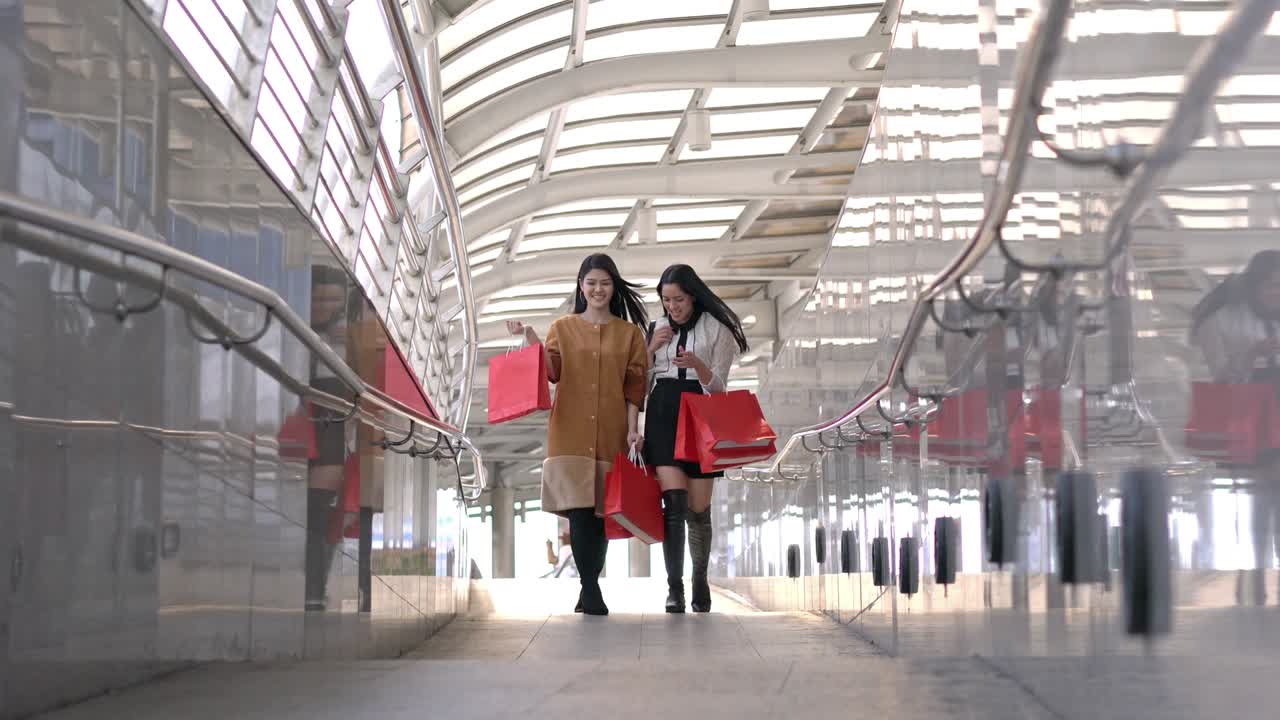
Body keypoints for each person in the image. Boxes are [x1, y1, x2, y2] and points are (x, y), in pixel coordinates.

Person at [507, 253, 649, 615]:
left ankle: (588, 587)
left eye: (604, 282)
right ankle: (591, 588)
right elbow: (552, 371)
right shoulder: (563, 327)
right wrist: (530, 337)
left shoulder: (630, 334)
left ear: (613, 286)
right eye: (591, 283)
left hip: (612, 432)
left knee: (600, 515)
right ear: (581, 287)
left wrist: (633, 430)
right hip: (569, 431)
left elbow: (634, 388)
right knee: (581, 513)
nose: (598, 289)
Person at [644, 264, 749, 613]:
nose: (672, 307)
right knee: (672, 506)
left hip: (701, 414)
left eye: (678, 299)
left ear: (693, 296)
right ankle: (673, 589)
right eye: (666, 300)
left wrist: (698, 365)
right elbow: (637, 383)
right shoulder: (655, 328)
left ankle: (699, 580)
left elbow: (719, 387)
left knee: (697, 510)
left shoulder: (716, 329)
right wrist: (648, 352)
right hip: (663, 412)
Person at [1190, 250, 1280, 605]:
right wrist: (1253, 353)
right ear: (1255, 287)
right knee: (1262, 484)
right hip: (1251, 407)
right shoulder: (1224, 320)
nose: (1277, 294)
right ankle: (1257, 562)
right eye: (1272, 287)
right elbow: (1220, 375)